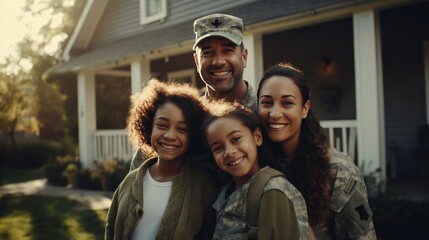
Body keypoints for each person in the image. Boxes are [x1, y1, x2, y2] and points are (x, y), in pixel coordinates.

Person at [257, 62, 377, 239]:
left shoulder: (337, 169)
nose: (274, 113)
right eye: (266, 102)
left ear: (304, 109)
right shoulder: (254, 162)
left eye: (287, 103)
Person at [129, 13, 257, 171]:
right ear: (197, 61)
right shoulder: (187, 115)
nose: (218, 61)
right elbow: (138, 175)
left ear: (244, 57)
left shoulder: (265, 113)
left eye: (228, 50)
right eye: (207, 53)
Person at [105, 79, 217, 240]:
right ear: (149, 126)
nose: (170, 135)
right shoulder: (130, 181)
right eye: (162, 125)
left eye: (182, 129)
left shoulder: (204, 186)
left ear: (193, 135)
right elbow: (111, 228)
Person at [203, 100, 310, 239]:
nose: (229, 152)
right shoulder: (225, 190)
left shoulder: (272, 192)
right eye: (218, 148)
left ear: (257, 137)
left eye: (236, 139)